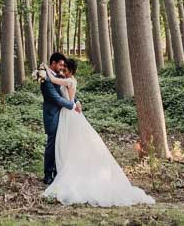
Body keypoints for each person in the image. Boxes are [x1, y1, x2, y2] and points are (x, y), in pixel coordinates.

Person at [42, 57, 155, 207]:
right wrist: (75, 101)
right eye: (61, 67)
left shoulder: (66, 80)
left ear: (69, 70)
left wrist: (44, 71)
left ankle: (65, 171)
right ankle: (57, 171)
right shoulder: (68, 79)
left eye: (65, 68)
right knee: (65, 143)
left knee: (70, 143)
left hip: (68, 114)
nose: (62, 70)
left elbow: (57, 85)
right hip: (66, 114)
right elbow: (66, 92)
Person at [41, 52, 80, 185]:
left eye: (64, 66)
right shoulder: (46, 79)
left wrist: (76, 101)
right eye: (61, 64)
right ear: (53, 63)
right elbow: (56, 98)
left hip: (64, 115)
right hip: (52, 115)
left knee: (62, 143)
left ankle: (60, 171)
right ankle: (47, 174)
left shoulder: (60, 76)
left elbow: (67, 89)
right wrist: (71, 105)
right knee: (52, 145)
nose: (63, 67)